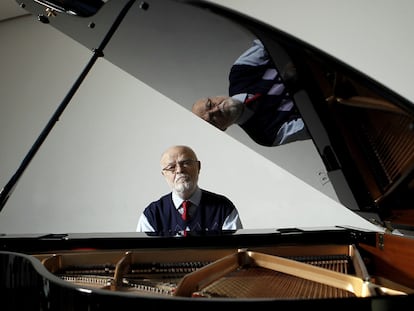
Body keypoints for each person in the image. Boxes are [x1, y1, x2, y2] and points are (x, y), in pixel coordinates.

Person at [192, 39, 310, 147]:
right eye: (213, 120)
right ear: (222, 128)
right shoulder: (266, 135)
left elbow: (271, 39)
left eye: (210, 104)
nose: (216, 110)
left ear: (215, 97)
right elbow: (316, 125)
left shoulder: (240, 72)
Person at [136, 145, 242, 235]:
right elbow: (143, 255)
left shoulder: (223, 208)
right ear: (164, 174)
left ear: (198, 167)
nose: (179, 170)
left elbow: (235, 251)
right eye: (171, 167)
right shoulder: (152, 214)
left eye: (186, 163)